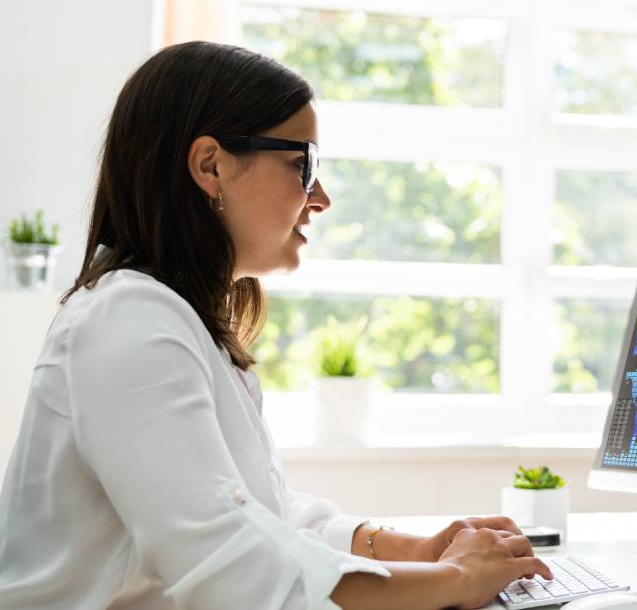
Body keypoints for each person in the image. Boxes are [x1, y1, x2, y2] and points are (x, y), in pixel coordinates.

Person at [0, 41, 551, 609]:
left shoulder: (177, 320)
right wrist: (456, 581)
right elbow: (231, 569)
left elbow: (266, 517)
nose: (322, 198)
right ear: (210, 165)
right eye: (302, 165)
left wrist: (418, 549)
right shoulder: (129, 321)